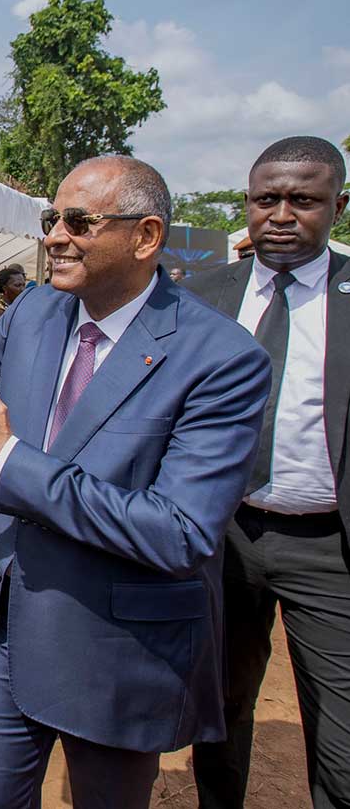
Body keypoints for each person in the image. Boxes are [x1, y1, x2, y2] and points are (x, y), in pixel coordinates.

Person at [0, 155, 271, 809]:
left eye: (78, 221)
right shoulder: (33, 311)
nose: (54, 235)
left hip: (115, 649)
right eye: (51, 219)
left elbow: (178, 532)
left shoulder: (221, 360)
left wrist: (9, 461)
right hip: (1, 625)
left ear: (145, 237)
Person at [187, 136, 350, 809]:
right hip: (221, 539)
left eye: (303, 200)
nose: (281, 214)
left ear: (337, 206)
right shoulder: (198, 298)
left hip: (329, 550)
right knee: (217, 712)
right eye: (266, 199)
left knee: (341, 736)